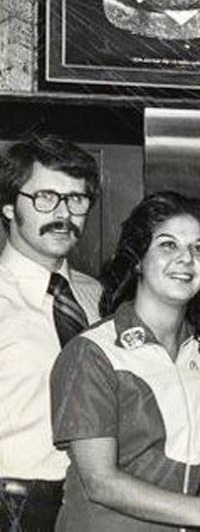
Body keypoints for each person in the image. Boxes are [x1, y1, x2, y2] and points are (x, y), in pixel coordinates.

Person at [50, 191, 200, 530]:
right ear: (138, 258)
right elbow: (100, 481)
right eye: (168, 245)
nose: (186, 259)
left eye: (199, 249)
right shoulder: (92, 352)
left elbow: (194, 457)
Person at [0, 134, 101, 530]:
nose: (63, 213)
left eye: (76, 199)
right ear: (9, 206)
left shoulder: (96, 297)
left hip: (90, 503)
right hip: (11, 506)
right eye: (45, 197)